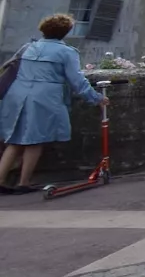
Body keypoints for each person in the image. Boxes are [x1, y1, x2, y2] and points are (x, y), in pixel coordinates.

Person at [0, 14, 109, 194]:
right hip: (43, 97)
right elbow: (77, 81)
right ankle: (24, 182)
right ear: (65, 32)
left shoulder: (28, 47)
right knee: (35, 141)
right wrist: (96, 98)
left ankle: (1, 179)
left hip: (17, 94)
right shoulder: (67, 52)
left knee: (15, 140)